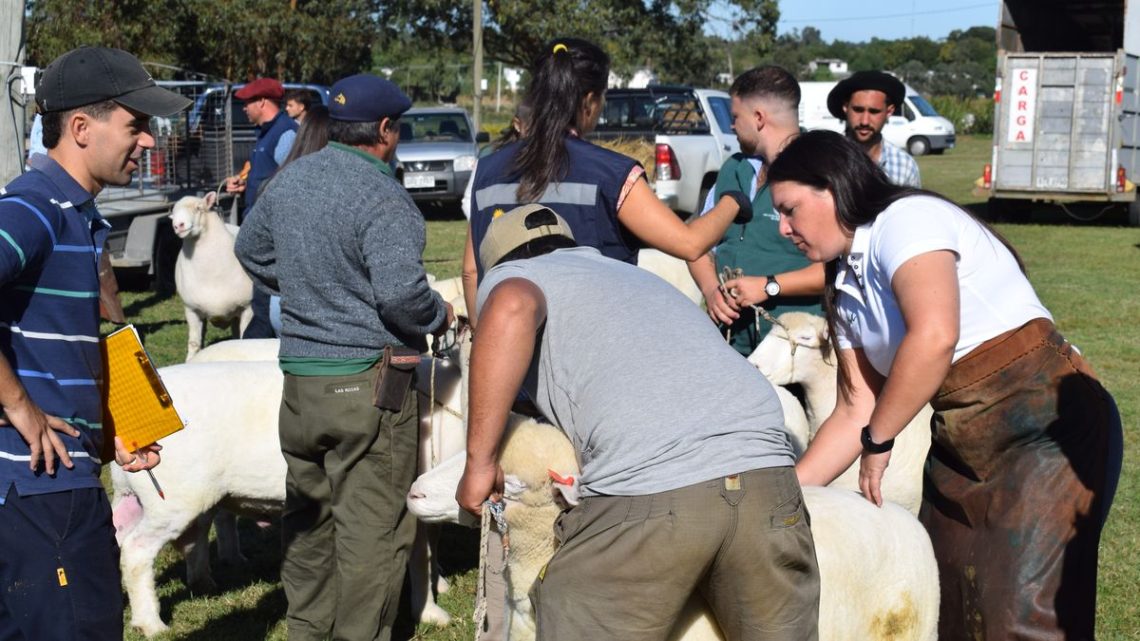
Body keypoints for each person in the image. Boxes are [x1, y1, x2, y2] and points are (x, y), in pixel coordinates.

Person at [772, 130, 1122, 640]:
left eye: (790, 210)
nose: (784, 229)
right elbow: (855, 409)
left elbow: (935, 335)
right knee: (949, 602)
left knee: (1020, 621)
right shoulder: (844, 285)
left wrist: (879, 440)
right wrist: (784, 499)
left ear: (831, 187)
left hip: (1043, 429)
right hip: (963, 442)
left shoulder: (907, 220)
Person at [458, 204, 819, 641]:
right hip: (768, 474)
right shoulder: (633, 278)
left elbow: (512, 306)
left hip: (651, 483)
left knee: (572, 611)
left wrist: (479, 465)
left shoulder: (515, 278)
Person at [234, 73, 452, 641]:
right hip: (368, 386)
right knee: (372, 533)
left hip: (301, 386)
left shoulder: (291, 179)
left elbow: (249, 249)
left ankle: (306, 629)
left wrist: (309, 288)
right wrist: (441, 316)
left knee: (308, 519)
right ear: (384, 130)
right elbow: (403, 297)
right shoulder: (385, 195)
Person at [0, 45, 177, 639]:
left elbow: (56, 341)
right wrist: (18, 405)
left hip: (63, 485)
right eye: (136, 125)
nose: (148, 141)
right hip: (38, 493)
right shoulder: (34, 207)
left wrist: (114, 425)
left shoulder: (76, 215)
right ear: (80, 128)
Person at [461, 37, 750, 327]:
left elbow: (471, 272)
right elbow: (690, 244)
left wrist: (482, 334)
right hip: (592, 349)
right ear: (589, 101)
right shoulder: (613, 174)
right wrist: (734, 200)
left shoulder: (486, 170)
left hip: (509, 346)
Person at [687, 65, 824, 356]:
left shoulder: (822, 171)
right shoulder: (733, 169)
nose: (732, 126)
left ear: (759, 117)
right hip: (729, 344)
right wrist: (712, 290)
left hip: (793, 349)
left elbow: (839, 272)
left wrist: (769, 286)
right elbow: (695, 245)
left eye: (735, 117)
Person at [224, 77, 298, 339]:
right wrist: (243, 184)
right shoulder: (266, 132)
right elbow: (267, 176)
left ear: (263, 102)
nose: (244, 108)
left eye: (248, 103)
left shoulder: (286, 133)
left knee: (265, 305)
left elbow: (289, 183)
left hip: (274, 235)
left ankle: (257, 346)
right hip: (262, 231)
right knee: (261, 300)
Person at [826, 71, 921, 188]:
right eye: (858, 110)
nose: (864, 121)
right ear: (845, 107)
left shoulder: (905, 166)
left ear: (889, 111)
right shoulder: (828, 162)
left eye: (874, 112)